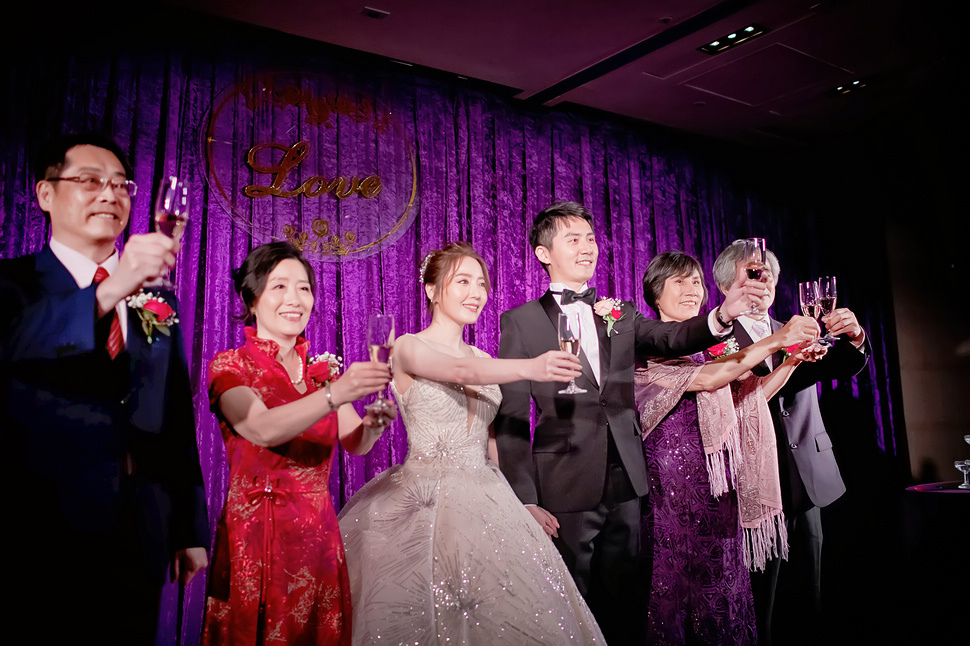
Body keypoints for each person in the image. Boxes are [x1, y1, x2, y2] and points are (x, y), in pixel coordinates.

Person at [493, 201, 768, 644]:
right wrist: (525, 499)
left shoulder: (619, 313)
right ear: (544, 253)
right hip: (563, 487)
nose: (587, 248)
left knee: (626, 607)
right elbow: (509, 418)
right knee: (570, 608)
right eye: (573, 239)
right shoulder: (520, 322)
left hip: (628, 483)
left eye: (590, 239)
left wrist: (722, 315)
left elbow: (672, 337)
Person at [337, 242, 605, 645]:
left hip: (488, 496)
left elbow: (492, 440)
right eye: (463, 281)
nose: (476, 293)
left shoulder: (484, 357)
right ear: (431, 290)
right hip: (423, 499)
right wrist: (532, 367)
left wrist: (522, 505)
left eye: (481, 284)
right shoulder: (408, 346)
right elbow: (459, 370)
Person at [0, 133, 209, 644]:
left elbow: (173, 411)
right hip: (34, 524)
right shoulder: (12, 284)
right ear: (45, 193)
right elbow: (18, 342)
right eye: (90, 181)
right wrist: (114, 287)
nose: (110, 194)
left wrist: (188, 527)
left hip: (139, 528)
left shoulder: (157, 302)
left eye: (121, 184)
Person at [202, 242, 395, 645]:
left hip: (317, 537)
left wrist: (374, 425)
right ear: (252, 300)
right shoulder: (231, 365)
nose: (294, 299)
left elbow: (355, 442)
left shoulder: (320, 372)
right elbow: (262, 429)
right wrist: (335, 394)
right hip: (257, 536)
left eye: (304, 288)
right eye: (279, 287)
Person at [634, 251, 821, 645]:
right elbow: (708, 379)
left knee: (723, 588)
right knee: (676, 587)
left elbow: (751, 401)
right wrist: (778, 340)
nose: (691, 289)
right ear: (655, 293)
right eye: (679, 282)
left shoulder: (712, 347)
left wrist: (792, 360)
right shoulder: (648, 347)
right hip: (673, 491)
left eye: (696, 282)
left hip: (721, 487)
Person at [712, 241, 870, 646]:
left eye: (768, 274)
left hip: (807, 479)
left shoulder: (797, 329)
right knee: (762, 607)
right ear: (727, 285)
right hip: (755, 487)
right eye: (752, 273)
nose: (763, 281)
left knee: (810, 601)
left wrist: (854, 336)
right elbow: (744, 400)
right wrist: (791, 353)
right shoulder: (717, 342)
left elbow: (840, 365)